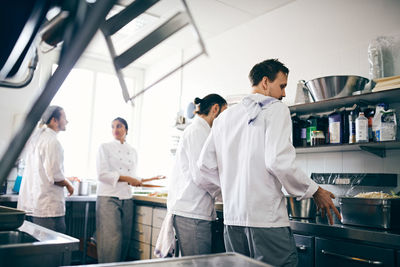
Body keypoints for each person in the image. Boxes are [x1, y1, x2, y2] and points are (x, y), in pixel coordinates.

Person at [195, 59, 341, 266]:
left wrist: (231, 189)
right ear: (265, 82)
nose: (283, 94)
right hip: (266, 221)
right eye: (282, 86)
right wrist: (315, 190)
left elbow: (204, 166)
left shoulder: (224, 118)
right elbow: (278, 161)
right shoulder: (276, 109)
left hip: (232, 221)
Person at [165, 94, 227, 257]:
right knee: (197, 263)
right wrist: (226, 194)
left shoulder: (202, 131)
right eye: (224, 112)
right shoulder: (198, 131)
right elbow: (202, 174)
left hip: (194, 210)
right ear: (215, 109)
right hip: (192, 211)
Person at [96, 117, 164, 263]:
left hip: (127, 197)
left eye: (119, 126)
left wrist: (147, 179)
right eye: (113, 126)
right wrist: (128, 178)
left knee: (125, 239)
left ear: (126, 129)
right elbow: (102, 174)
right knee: (111, 241)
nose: (115, 130)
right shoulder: (104, 147)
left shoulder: (132, 151)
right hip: (109, 197)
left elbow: (133, 177)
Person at [17, 105, 74, 233]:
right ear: (54, 120)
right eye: (64, 118)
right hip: (48, 207)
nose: (67, 121)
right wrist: (69, 185)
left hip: (35, 204)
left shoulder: (37, 138)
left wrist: (65, 178)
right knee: (53, 248)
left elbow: (43, 171)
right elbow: (55, 177)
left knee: (39, 246)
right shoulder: (53, 141)